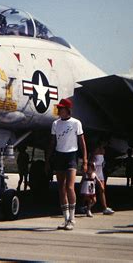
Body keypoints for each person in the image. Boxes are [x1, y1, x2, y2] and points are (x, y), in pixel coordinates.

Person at [45, 98, 87, 231]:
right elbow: (52, 143)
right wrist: (47, 160)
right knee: (61, 188)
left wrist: (85, 160)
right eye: (59, 108)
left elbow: (82, 143)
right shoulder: (55, 124)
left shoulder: (76, 123)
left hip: (71, 156)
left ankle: (72, 218)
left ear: (67, 109)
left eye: (61, 108)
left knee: (70, 187)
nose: (59, 110)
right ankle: (65, 218)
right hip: (59, 156)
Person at [92, 138, 115, 215]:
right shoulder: (96, 149)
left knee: (102, 189)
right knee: (91, 190)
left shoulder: (103, 150)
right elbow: (91, 161)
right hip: (94, 170)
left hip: (100, 170)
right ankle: (86, 205)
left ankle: (104, 207)